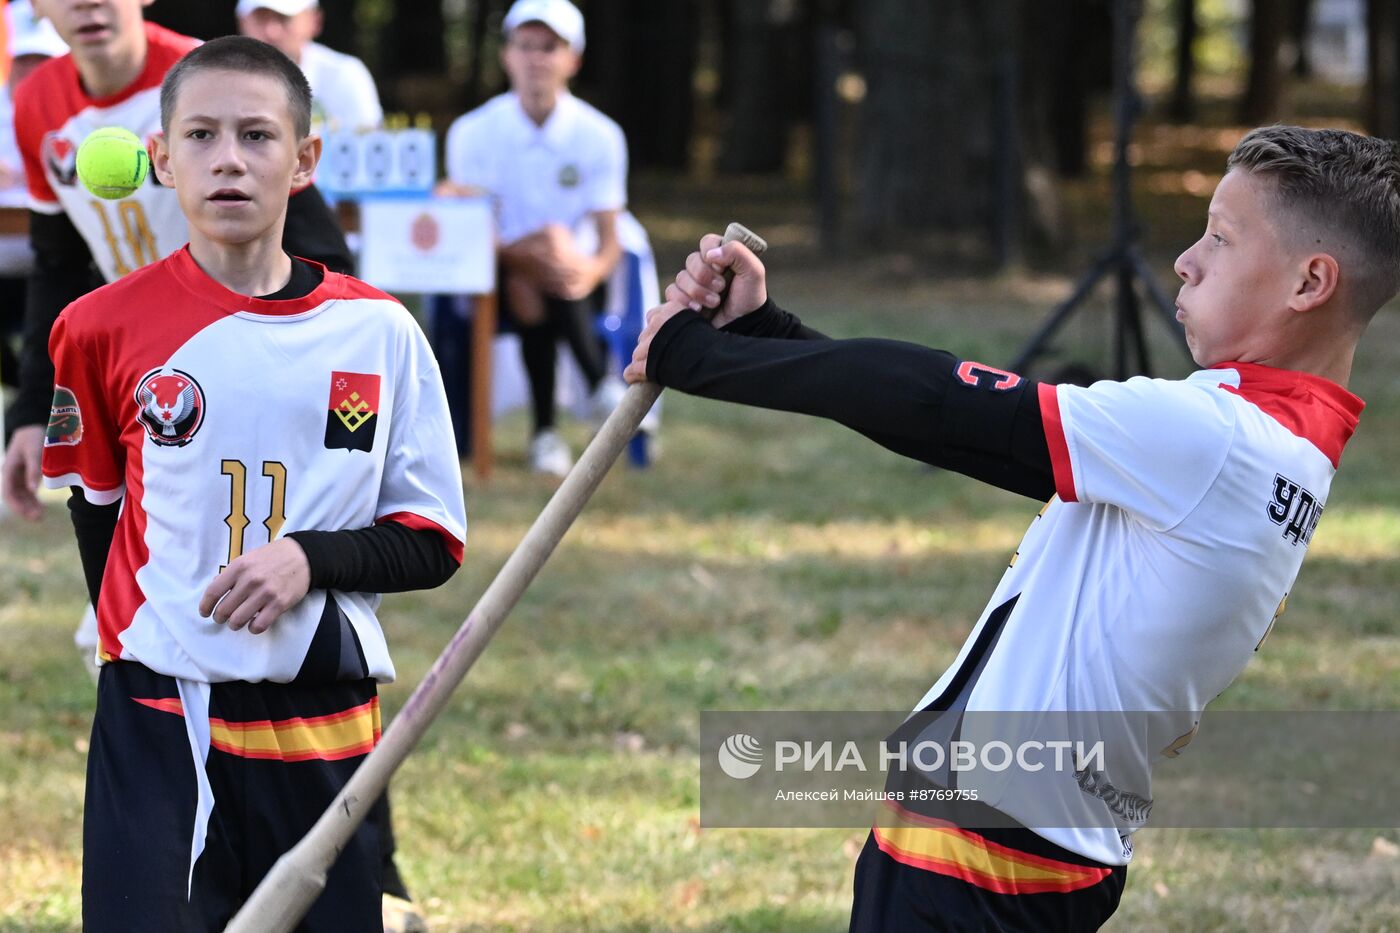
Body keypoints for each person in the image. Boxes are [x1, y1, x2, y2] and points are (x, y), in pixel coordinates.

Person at [626, 125, 1399, 931]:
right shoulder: (1268, 449)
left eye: (1220, 236)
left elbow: (941, 399)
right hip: (1010, 844)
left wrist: (696, 358)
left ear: (1310, 281)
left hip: (983, 861)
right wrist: (766, 335)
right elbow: (960, 428)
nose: (1187, 258)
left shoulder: (1219, 437)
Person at [41, 35, 466, 931]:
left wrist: (308, 559)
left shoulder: (380, 334)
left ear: (304, 160)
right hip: (160, 713)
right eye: (199, 136)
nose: (227, 158)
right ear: (159, 157)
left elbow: (433, 542)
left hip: (322, 725)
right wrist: (149, 641)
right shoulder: (95, 329)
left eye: (257, 136)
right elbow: (98, 512)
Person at [442, 0, 630, 477]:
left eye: (549, 47)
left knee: (545, 272)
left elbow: (611, 240)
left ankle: (545, 432)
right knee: (542, 256)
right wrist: (536, 252)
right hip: (493, 273)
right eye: (525, 46)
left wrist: (584, 269)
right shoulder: (473, 131)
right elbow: (471, 230)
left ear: (573, 59)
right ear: (506, 55)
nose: (535, 59)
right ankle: (599, 385)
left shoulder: (600, 135)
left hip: (572, 280)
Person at [0, 0, 67, 401]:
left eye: (45, 61)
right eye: (26, 61)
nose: (35, 73)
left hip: (56, 269)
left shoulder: (80, 111)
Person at [236, 0, 383, 133]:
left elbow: (368, 150)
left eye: (284, 18)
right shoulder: (218, 80)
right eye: (261, 18)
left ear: (315, 21)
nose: (272, 32)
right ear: (242, 22)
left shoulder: (345, 75)